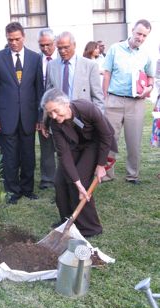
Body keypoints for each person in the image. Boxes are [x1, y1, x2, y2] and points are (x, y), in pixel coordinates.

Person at [40, 88, 117, 237]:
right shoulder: (54, 123)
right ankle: (67, 221)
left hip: (95, 143)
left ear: (66, 104)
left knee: (81, 178)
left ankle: (90, 228)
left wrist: (101, 165)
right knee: (60, 181)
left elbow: (106, 135)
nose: (53, 116)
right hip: (74, 146)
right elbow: (64, 154)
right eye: (49, 113)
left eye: (55, 111)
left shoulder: (86, 108)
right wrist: (77, 183)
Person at [0, 22, 43, 204]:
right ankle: (12, 191)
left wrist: (40, 117)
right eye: (10, 39)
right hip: (5, 117)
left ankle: (27, 189)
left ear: (24, 37)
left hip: (28, 117)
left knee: (28, 155)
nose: (13, 43)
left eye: (17, 39)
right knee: (10, 156)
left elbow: (39, 90)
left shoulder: (35, 58)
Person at [102, 19, 154, 184]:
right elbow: (107, 73)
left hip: (136, 103)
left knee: (134, 141)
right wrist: (105, 97)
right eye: (139, 33)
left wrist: (149, 88)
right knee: (110, 139)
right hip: (114, 100)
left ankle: (133, 175)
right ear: (132, 30)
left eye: (144, 35)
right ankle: (107, 174)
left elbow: (151, 77)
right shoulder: (115, 49)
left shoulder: (146, 54)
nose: (140, 37)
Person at [46, 31, 104, 112]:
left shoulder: (90, 66)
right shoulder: (51, 65)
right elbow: (48, 94)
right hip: (58, 117)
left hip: (82, 116)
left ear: (74, 45)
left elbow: (97, 98)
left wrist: (97, 120)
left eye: (66, 47)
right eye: (59, 48)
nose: (62, 51)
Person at [37, 28, 58, 190]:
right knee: (46, 145)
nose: (45, 48)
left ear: (55, 42)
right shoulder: (35, 61)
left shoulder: (62, 59)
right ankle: (47, 179)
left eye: (48, 44)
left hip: (60, 109)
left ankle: (67, 176)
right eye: (41, 45)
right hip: (42, 110)